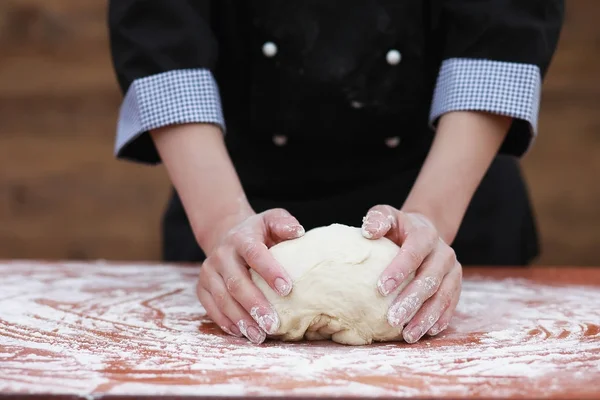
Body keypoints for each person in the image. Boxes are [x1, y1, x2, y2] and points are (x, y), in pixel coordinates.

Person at [107, 1, 564, 345]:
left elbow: (502, 24)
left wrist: (431, 219)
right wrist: (223, 222)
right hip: (228, 188)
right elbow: (158, 24)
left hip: (448, 186)